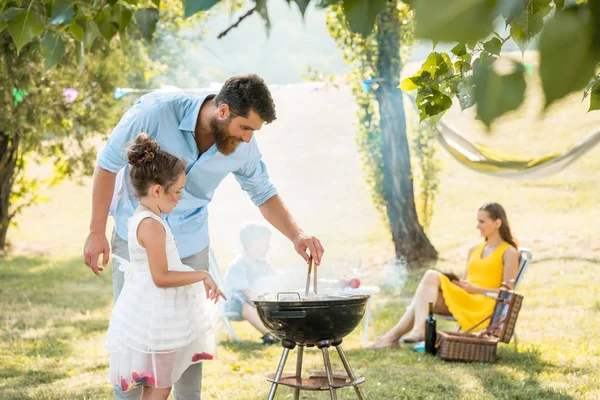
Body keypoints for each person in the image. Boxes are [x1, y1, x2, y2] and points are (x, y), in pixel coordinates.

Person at [83, 74, 325, 399]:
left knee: (187, 341)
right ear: (222, 111)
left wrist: (297, 235)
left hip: (190, 243)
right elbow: (107, 164)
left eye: (254, 130)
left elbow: (263, 193)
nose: (249, 138)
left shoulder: (242, 147)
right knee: (136, 338)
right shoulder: (156, 111)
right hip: (136, 241)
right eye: (245, 128)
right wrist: (96, 231)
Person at [105, 134, 226, 400]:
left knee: (158, 384)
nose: (181, 198)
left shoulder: (146, 217)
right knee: (159, 386)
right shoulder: (151, 225)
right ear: (157, 190)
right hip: (156, 317)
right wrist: (203, 274)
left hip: (152, 310)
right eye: (178, 191)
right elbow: (160, 276)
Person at [368, 202, 519, 349]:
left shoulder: (509, 252)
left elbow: (509, 293)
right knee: (424, 297)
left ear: (498, 223)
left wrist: (477, 289)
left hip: (483, 304)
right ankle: (397, 337)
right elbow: (468, 279)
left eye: (482, 221)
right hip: (465, 297)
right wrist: (459, 284)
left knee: (429, 278)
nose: (477, 226)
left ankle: (395, 337)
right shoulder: (474, 249)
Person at [223, 221, 280, 345]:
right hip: (233, 304)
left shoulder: (263, 264)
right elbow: (245, 291)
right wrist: (260, 301)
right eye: (265, 242)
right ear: (254, 243)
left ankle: (279, 331)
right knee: (242, 298)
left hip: (255, 301)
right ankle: (267, 334)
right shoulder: (239, 264)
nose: (268, 246)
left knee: (273, 297)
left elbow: (276, 279)